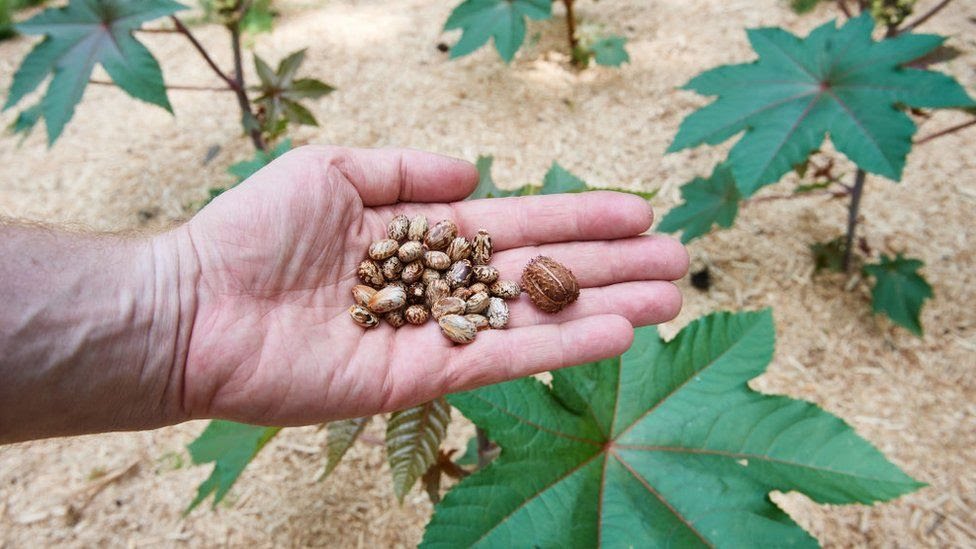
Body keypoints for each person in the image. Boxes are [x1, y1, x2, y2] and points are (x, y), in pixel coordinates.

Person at [0, 146, 688, 444]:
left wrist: (176, 303)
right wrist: (184, 293)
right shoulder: (427, 276)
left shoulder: (458, 279)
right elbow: (426, 286)